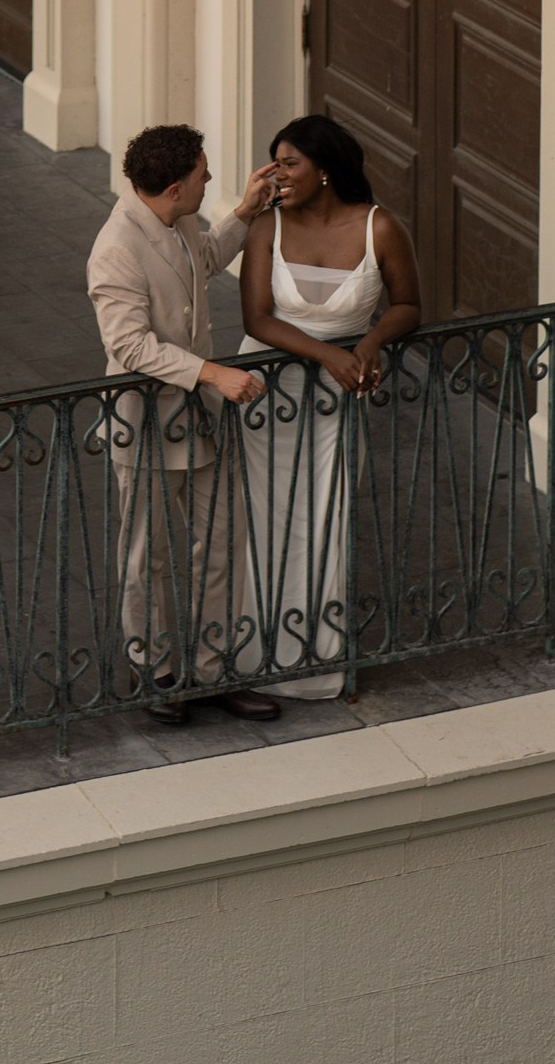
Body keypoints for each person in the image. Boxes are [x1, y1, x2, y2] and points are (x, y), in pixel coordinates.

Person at [86, 125, 281, 724]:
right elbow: (131, 345)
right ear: (174, 187)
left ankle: (215, 667)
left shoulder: (178, 221)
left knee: (222, 541)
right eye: (203, 174)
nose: (211, 180)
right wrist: (214, 374)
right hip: (145, 424)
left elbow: (204, 261)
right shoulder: (115, 249)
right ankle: (156, 670)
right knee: (146, 555)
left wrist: (245, 214)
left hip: (197, 423)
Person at [238, 114, 421, 699]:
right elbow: (257, 319)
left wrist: (365, 346)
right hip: (265, 398)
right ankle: (250, 656)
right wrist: (327, 355)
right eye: (276, 162)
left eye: (290, 163)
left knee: (325, 515)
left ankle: (313, 663)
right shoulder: (266, 228)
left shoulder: (380, 227)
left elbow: (409, 304)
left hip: (336, 401)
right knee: (261, 521)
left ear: (325, 169)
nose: (278, 174)